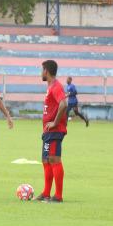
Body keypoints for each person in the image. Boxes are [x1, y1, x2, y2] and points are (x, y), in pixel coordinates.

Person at [37, 59, 67, 203]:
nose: (40, 73)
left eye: (41, 70)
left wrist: (55, 122)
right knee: (46, 160)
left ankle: (58, 195)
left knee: (54, 159)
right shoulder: (50, 86)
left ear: (46, 71)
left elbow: (63, 104)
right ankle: (46, 193)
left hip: (55, 130)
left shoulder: (56, 87)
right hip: (48, 131)